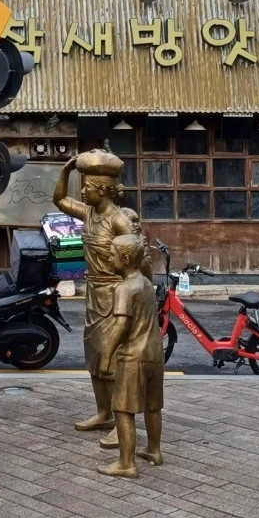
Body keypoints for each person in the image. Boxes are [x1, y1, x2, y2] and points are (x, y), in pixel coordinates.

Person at [52, 150, 152, 436]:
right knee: (95, 355)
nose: (83, 192)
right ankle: (104, 413)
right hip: (94, 292)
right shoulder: (88, 213)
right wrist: (67, 169)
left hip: (115, 292)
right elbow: (59, 199)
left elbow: (138, 259)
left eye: (87, 187)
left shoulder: (118, 221)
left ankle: (122, 422)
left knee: (115, 358)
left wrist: (144, 293)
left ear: (102, 189)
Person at [98, 233, 164, 478]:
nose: (109, 259)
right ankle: (154, 450)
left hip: (133, 356)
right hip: (155, 354)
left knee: (123, 409)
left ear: (125, 259)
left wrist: (106, 355)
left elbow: (121, 326)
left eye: (112, 255)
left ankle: (126, 463)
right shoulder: (146, 283)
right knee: (153, 406)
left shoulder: (124, 288)